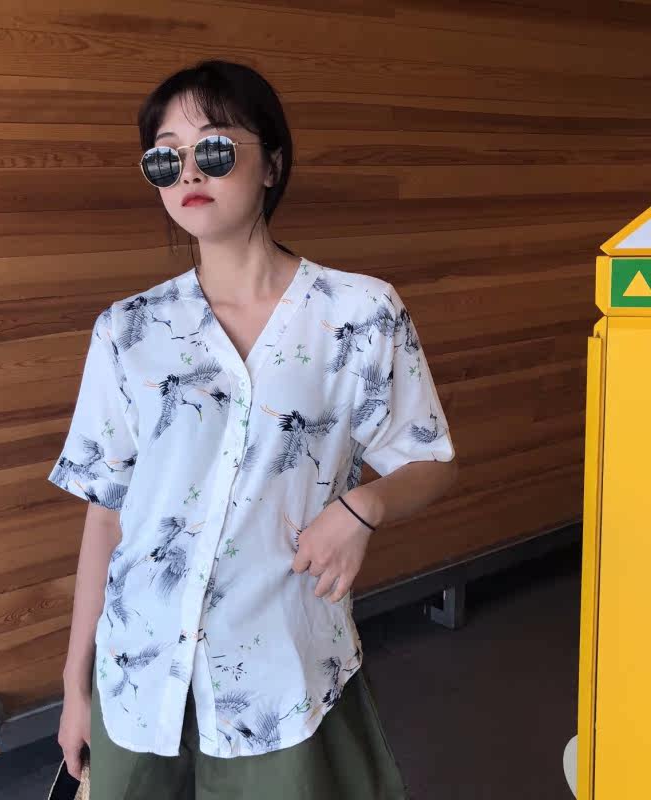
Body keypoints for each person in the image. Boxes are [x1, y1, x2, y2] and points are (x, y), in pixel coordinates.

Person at [51, 59, 458, 800]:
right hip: (139, 672)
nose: (187, 172)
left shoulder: (359, 314)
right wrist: (77, 685)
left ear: (271, 163)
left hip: (278, 670)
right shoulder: (128, 331)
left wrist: (363, 507)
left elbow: (430, 458)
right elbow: (107, 514)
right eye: (164, 157)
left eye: (213, 148)